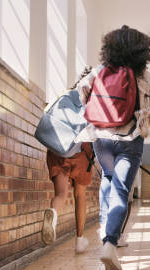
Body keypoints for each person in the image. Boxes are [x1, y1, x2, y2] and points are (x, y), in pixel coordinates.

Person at [76, 25, 150, 270]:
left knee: (108, 180)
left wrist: (94, 113)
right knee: (121, 191)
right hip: (130, 139)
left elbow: (81, 90)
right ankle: (110, 243)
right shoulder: (145, 77)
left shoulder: (101, 70)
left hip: (101, 138)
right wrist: (139, 126)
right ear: (142, 50)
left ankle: (104, 228)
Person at [42, 69, 96, 254]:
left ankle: (53, 214)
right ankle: (79, 240)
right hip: (81, 154)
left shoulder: (65, 96)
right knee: (80, 195)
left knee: (61, 194)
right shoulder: (93, 104)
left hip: (57, 149)